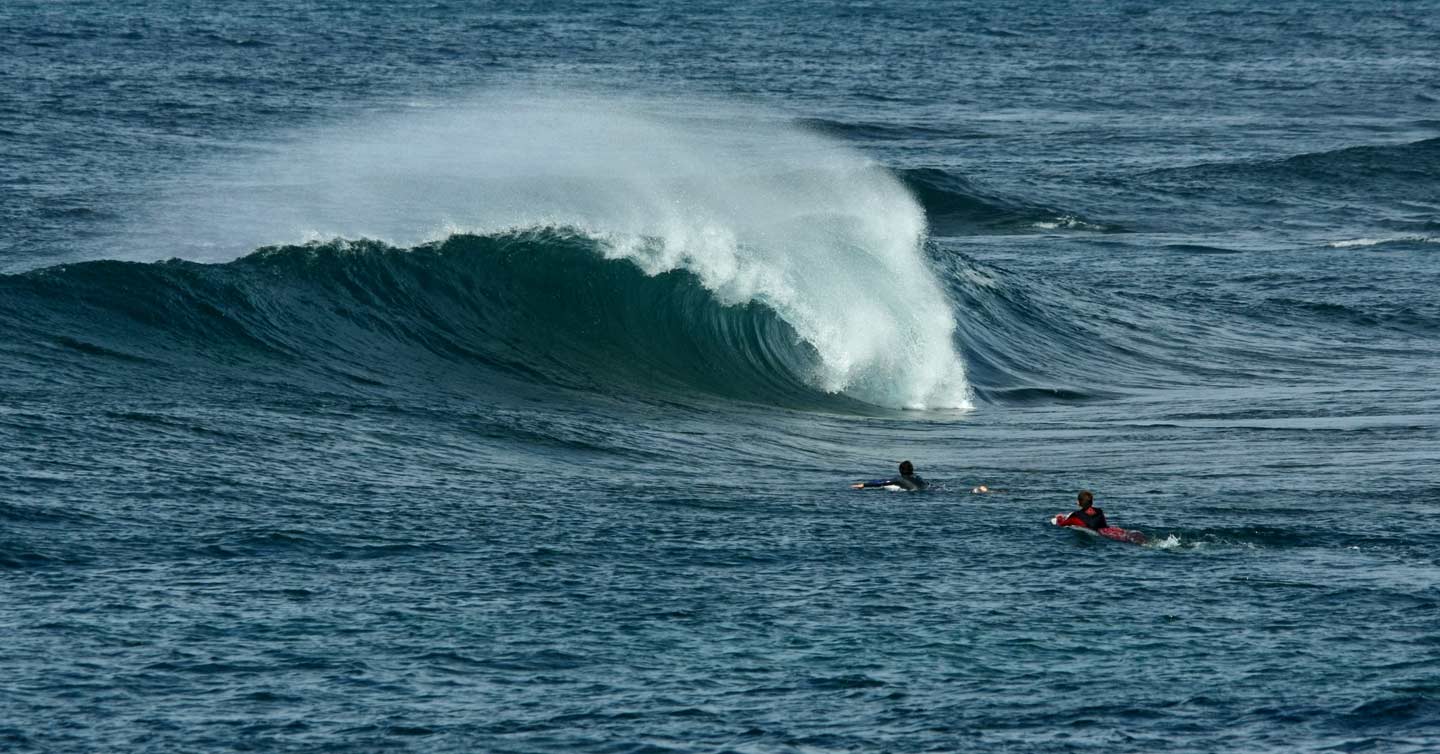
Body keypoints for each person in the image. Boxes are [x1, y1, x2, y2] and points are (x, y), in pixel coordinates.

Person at [851, 460, 928, 491]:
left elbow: (881, 483)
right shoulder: (918, 477)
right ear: (912, 469)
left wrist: (864, 485)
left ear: (900, 470)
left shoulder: (899, 480)